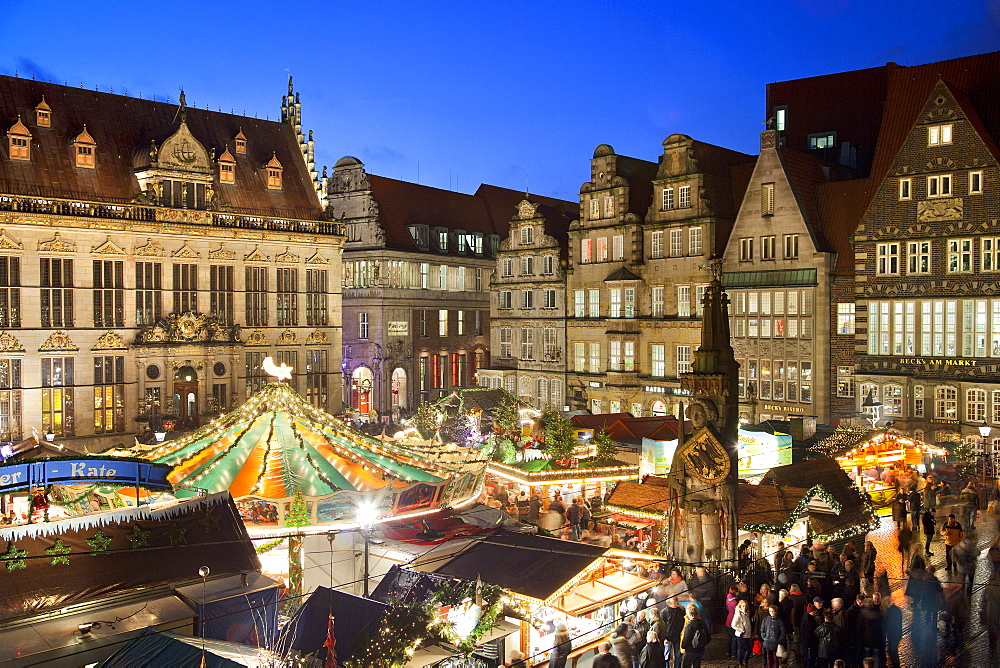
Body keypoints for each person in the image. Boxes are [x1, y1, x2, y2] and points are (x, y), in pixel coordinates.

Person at [680, 603, 710, 668]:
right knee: (697, 665)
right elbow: (708, 636)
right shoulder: (702, 623)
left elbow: (686, 638)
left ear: (691, 615)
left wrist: (683, 646)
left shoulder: (690, 625)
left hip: (690, 650)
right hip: (700, 650)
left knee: (686, 665)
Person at [688, 566, 715, 632]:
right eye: (700, 571)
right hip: (695, 602)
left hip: (705, 603)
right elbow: (690, 588)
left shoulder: (709, 581)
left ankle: (707, 631)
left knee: (706, 617)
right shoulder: (694, 580)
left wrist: (702, 598)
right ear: (696, 572)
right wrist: (691, 595)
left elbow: (712, 592)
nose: (702, 573)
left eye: (703, 571)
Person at [661, 596, 685, 668]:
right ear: (669, 604)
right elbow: (662, 626)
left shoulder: (680, 611)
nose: (676, 604)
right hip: (668, 637)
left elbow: (683, 621)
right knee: (666, 655)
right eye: (674, 603)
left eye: (676, 602)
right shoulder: (664, 612)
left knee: (678, 654)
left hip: (677, 636)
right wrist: (664, 637)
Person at [731, 598, 753, 668]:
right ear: (740, 606)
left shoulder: (747, 613)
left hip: (748, 635)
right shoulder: (738, 614)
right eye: (743, 606)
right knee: (740, 649)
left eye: (746, 606)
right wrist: (741, 630)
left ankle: (745, 661)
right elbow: (733, 625)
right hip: (741, 635)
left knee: (749, 649)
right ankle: (741, 664)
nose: (745, 607)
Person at [884, 598, 902, 668]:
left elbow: (889, 623)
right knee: (893, 650)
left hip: (894, 635)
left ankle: (895, 664)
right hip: (896, 634)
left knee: (893, 651)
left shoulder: (891, 611)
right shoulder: (896, 609)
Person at [724, 585, 739, 658]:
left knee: (729, 637)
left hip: (729, 618)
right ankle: (734, 652)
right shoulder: (735, 601)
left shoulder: (728, 599)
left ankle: (728, 651)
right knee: (734, 637)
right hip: (734, 617)